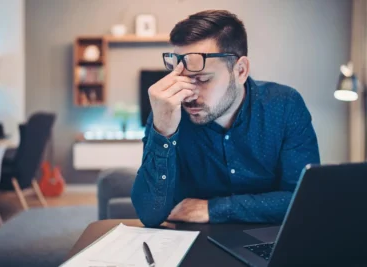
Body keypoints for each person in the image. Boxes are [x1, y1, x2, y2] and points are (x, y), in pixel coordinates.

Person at [131, 9, 320, 227]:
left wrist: (213, 209)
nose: (187, 94)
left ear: (240, 70)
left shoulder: (285, 105)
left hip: (271, 247)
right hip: (194, 249)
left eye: (202, 79)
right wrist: (163, 131)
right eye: (181, 80)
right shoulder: (168, 112)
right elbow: (149, 213)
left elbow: (303, 200)